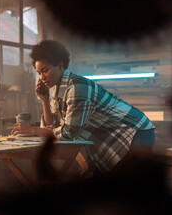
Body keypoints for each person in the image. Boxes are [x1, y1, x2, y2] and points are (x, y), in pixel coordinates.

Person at [11, 40, 155, 175]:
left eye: (45, 70)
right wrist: (44, 100)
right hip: (113, 138)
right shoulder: (57, 91)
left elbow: (68, 133)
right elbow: (52, 128)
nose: (41, 77)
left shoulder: (77, 87)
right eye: (39, 73)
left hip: (134, 131)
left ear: (60, 65)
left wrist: (32, 130)